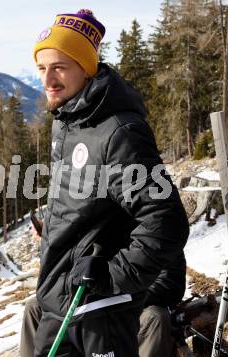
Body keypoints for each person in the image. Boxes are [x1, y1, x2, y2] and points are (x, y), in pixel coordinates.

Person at [30, 8, 189, 357]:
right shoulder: (67, 121)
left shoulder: (119, 131)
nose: (47, 80)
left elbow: (167, 222)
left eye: (59, 67)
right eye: (42, 68)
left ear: (85, 68)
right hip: (60, 306)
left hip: (100, 314)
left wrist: (111, 277)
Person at [20, 249, 187, 357]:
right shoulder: (94, 223)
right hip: (86, 305)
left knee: (155, 317)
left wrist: (121, 297)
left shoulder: (152, 225)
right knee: (34, 306)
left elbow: (170, 284)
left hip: (132, 306)